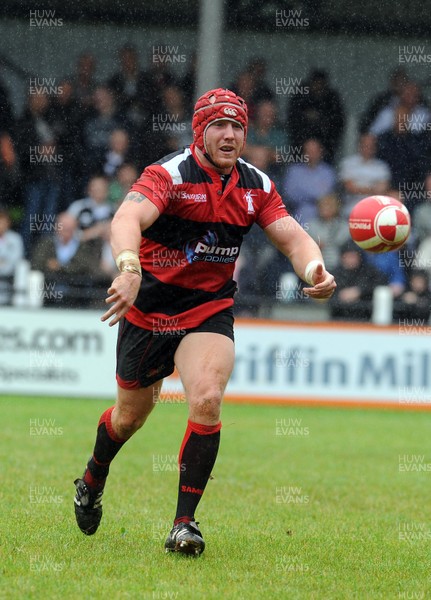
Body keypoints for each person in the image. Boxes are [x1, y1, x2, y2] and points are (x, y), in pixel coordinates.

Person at [73, 88, 336, 556]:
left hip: (208, 308)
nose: (230, 135)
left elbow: (294, 239)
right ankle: (94, 476)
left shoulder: (256, 185)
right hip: (150, 309)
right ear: (200, 131)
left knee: (208, 397)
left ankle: (184, 523)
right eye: (220, 125)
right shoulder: (169, 175)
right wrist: (130, 268)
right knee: (129, 418)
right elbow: (126, 217)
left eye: (238, 126)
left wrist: (315, 270)